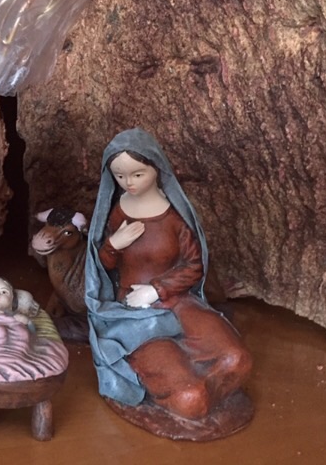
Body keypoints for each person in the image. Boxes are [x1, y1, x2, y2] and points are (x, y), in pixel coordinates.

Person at [85, 128, 253, 440]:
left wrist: (157, 289)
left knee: (237, 360)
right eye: (119, 176)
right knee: (191, 398)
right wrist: (113, 245)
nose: (128, 182)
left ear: (157, 169)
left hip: (176, 300)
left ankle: (203, 393)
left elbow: (193, 266)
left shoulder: (174, 217)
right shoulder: (116, 213)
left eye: (137, 174)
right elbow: (102, 269)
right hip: (134, 312)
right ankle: (189, 394)